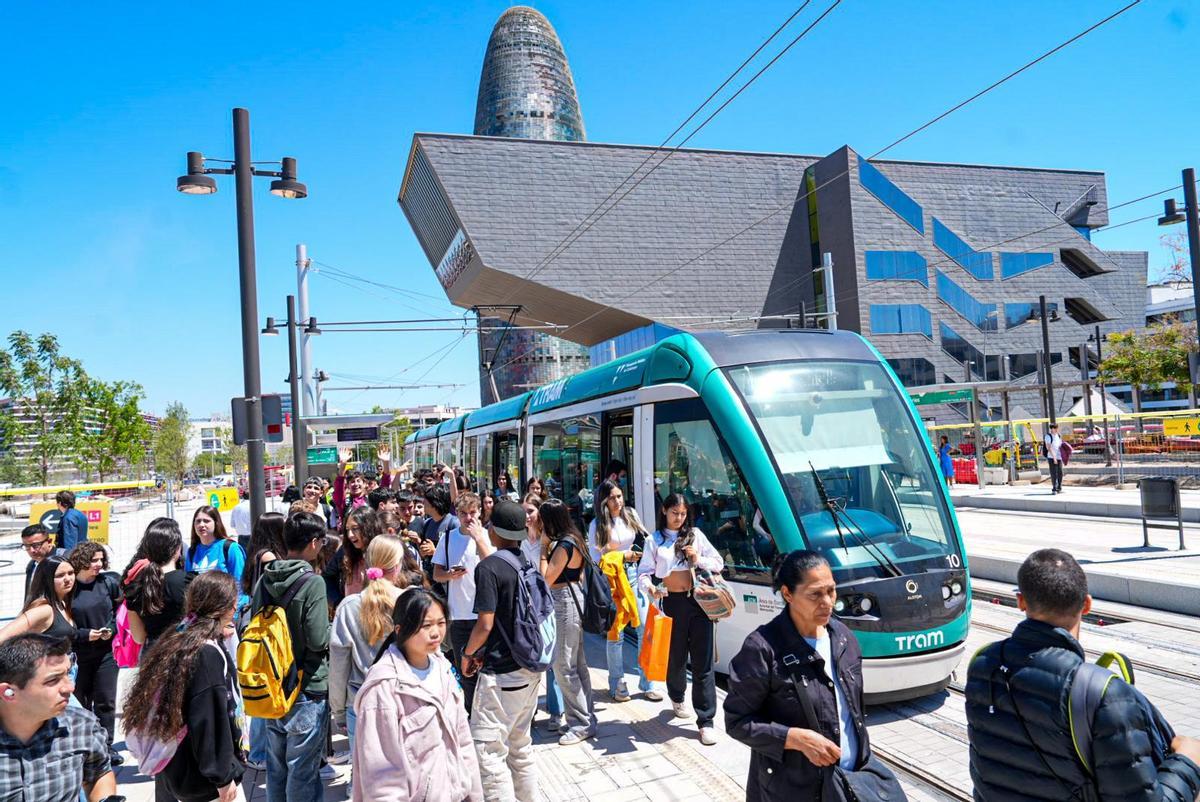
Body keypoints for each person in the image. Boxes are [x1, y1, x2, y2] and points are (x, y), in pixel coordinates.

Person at [966, 548, 1200, 801]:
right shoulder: (1102, 694)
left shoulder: (982, 664)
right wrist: (1188, 762)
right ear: (1087, 604)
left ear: (1021, 601)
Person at [725, 550, 868, 798]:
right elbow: (737, 722)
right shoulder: (762, 649)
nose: (828, 602)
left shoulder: (844, 638)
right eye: (815, 594)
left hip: (849, 782)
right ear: (788, 594)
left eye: (831, 591)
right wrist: (794, 738)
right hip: (793, 789)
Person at [123, 571, 246, 802]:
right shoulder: (206, 653)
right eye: (234, 603)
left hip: (184, 768)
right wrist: (222, 776)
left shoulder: (180, 634)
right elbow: (209, 719)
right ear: (227, 606)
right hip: (206, 781)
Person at [352, 589, 482, 802]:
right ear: (400, 629)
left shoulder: (443, 668)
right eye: (426, 626)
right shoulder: (384, 688)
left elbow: (463, 743)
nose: (436, 633)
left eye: (441, 623)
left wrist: (474, 795)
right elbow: (381, 777)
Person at [461, 499, 541, 801]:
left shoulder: (489, 568)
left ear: (493, 528)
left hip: (501, 674)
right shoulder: (525, 562)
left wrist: (468, 654)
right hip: (529, 667)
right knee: (520, 746)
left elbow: (484, 623)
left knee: (489, 752)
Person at [252, 512, 331, 802]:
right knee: (302, 771)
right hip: (306, 686)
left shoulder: (266, 577)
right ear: (313, 543)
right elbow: (317, 638)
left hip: (272, 686)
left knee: (277, 768)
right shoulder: (313, 583)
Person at [639, 493, 724, 744]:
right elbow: (644, 572)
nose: (679, 518)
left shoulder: (696, 535)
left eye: (683, 513)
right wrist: (651, 589)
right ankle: (677, 697)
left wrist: (698, 559)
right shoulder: (653, 540)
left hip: (698, 601)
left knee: (703, 660)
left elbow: (718, 562)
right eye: (675, 513)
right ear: (664, 511)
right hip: (672, 603)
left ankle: (706, 720)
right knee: (675, 657)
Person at [0, 634, 117, 802]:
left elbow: (99, 772)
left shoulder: (81, 726)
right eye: (53, 680)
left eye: (68, 674)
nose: (70, 687)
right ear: (8, 693)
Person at [330, 536, 412, 761]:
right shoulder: (411, 601)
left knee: (364, 778)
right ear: (397, 566)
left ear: (367, 563)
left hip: (361, 701)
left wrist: (338, 711)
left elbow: (338, 666)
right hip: (404, 699)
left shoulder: (348, 607)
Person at [588, 480, 654, 702]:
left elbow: (646, 538)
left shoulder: (631, 514)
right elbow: (596, 560)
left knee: (644, 626)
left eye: (620, 496)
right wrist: (620, 556)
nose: (618, 501)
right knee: (616, 633)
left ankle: (647, 682)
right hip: (613, 582)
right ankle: (617, 683)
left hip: (634, 575)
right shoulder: (597, 524)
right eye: (612, 498)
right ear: (603, 501)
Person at [538, 498, 597, 745]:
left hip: (563, 603)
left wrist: (543, 550)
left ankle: (581, 724)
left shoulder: (563, 546)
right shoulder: (575, 538)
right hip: (573, 599)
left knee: (564, 667)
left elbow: (545, 579)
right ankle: (587, 718)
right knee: (577, 664)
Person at [432, 492, 493, 713]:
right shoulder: (448, 538)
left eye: (473, 513)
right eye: (464, 513)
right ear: (456, 514)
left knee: (487, 670)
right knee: (465, 669)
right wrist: (450, 575)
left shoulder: (488, 536)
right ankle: (470, 714)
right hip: (459, 616)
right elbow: (436, 574)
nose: (468, 518)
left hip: (485, 616)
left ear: (480, 513)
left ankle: (486, 713)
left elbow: (496, 568)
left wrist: (479, 540)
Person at [66, 542, 122, 766]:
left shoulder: (108, 582)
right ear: (81, 561)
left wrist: (112, 629)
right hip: (79, 655)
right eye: (93, 560)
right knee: (80, 703)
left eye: (101, 560)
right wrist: (83, 635)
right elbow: (61, 624)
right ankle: (85, 747)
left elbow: (121, 611)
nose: (99, 564)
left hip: (107, 653)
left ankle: (106, 747)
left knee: (105, 701)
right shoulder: (69, 588)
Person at [240, 512, 285, 770]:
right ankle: (258, 752)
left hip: (258, 627)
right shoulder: (269, 557)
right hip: (265, 629)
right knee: (264, 688)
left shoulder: (257, 554)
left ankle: (258, 750)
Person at [520, 494, 565, 731]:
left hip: (548, 604)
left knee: (552, 656)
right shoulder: (519, 541)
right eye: (524, 512)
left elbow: (546, 577)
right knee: (531, 659)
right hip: (526, 606)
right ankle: (530, 709)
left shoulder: (549, 543)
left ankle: (557, 712)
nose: (526, 516)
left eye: (530, 511)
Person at [122, 517, 189, 649]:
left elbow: (139, 637)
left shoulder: (135, 586)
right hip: (184, 651)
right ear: (177, 548)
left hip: (153, 655)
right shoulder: (188, 581)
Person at [0, 556, 77, 646]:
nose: (68, 579)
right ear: (46, 579)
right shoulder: (44, 609)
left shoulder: (62, 603)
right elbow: (3, 636)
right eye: (60, 575)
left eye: (71, 573)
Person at [185, 506, 246, 605]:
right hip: (202, 612)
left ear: (216, 523)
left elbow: (240, 584)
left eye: (206, 521)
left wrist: (234, 615)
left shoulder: (230, 548)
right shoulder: (191, 551)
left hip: (227, 611)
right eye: (198, 521)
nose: (201, 525)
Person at [324, 506, 381, 608]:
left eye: (355, 529)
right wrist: (337, 602)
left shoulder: (386, 549)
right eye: (347, 530)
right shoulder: (345, 551)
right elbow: (327, 577)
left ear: (369, 527)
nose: (350, 535)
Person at [418, 485, 458, 589]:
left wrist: (435, 552)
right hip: (430, 581)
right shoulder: (427, 524)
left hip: (447, 583)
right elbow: (423, 553)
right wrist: (422, 552)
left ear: (434, 503)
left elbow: (458, 557)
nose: (423, 503)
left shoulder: (453, 524)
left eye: (426, 501)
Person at [20, 523, 59, 599]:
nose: (32, 550)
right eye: (27, 546)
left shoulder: (62, 562)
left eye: (36, 545)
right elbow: (29, 595)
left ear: (49, 541)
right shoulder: (31, 565)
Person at [1044, 423, 1065, 494]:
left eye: (1056, 428)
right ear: (1051, 429)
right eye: (1054, 428)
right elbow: (1048, 447)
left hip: (1059, 457)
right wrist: (1054, 457)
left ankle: (1059, 487)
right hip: (1052, 457)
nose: (1055, 430)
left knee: (1060, 473)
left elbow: (1060, 446)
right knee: (1054, 473)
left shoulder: (1058, 436)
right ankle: (1054, 488)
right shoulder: (1048, 436)